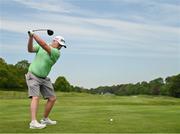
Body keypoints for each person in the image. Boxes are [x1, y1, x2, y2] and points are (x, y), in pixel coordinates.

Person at [25, 31, 66, 129]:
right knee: (35, 97)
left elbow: (43, 44)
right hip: (33, 75)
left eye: (62, 46)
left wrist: (33, 34)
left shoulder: (56, 53)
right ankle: (33, 122)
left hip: (44, 78)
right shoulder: (42, 47)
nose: (60, 47)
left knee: (52, 98)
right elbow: (30, 49)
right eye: (59, 44)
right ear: (54, 41)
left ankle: (45, 119)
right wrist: (30, 38)